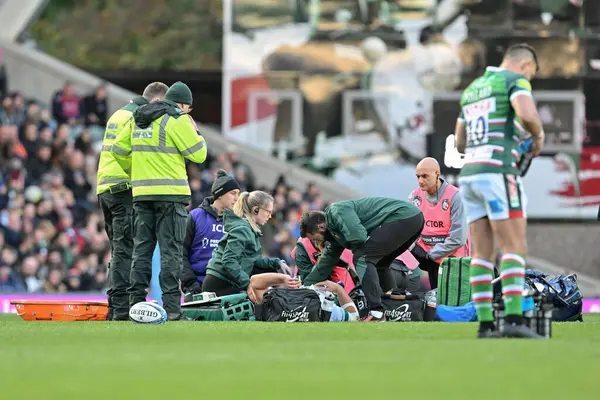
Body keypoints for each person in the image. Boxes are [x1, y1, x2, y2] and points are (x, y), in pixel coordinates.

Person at [454, 43, 545, 339]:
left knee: (482, 253)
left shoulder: (472, 89)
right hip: (498, 171)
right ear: (526, 66)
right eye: (530, 75)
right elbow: (527, 114)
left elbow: (459, 143)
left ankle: (486, 324)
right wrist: (537, 135)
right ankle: (515, 320)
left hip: (469, 174)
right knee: (514, 246)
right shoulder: (513, 80)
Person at [111, 81, 208, 321]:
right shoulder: (177, 118)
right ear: (183, 104)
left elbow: (118, 151)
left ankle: (135, 306)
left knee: (141, 251)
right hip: (170, 196)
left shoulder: (138, 117)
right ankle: (173, 310)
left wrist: (135, 172)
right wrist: (194, 129)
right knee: (171, 253)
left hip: (142, 196)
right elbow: (199, 154)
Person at [96, 82, 169, 321]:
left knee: (119, 250)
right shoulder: (136, 117)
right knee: (125, 251)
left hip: (105, 186)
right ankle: (120, 310)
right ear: (156, 102)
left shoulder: (119, 113)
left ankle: (114, 306)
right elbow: (126, 152)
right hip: (123, 188)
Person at [302, 197, 424, 321]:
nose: (315, 242)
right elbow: (324, 265)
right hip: (413, 218)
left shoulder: (336, 211)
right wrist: (304, 288)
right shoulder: (334, 234)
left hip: (403, 216)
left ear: (320, 228)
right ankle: (393, 309)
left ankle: (376, 312)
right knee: (380, 264)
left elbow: (359, 236)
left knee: (362, 258)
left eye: (314, 238)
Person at [204, 191, 293, 297]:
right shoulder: (243, 230)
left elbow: (254, 260)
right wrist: (247, 284)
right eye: (268, 212)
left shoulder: (249, 229)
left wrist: (278, 263)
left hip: (227, 281)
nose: (269, 216)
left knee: (271, 270)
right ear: (255, 210)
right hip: (219, 284)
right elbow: (228, 261)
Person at [406, 157, 470, 290]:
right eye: (418, 176)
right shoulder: (414, 196)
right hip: (430, 261)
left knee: (452, 302)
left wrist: (431, 254)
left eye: (425, 176)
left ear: (437, 174)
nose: (420, 181)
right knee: (436, 301)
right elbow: (407, 229)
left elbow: (458, 238)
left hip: (453, 263)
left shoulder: (455, 197)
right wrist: (415, 250)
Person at [181, 169, 241, 295]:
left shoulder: (238, 222)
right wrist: (191, 284)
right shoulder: (195, 217)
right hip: (197, 286)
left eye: (238, 194)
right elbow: (180, 253)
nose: (237, 198)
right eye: (233, 193)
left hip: (227, 287)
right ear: (219, 194)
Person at [246, 273, 360, 322]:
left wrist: (283, 279)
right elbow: (355, 318)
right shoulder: (329, 309)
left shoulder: (270, 302)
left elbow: (255, 282)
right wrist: (338, 289)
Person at [292, 211, 357, 293]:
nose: (316, 241)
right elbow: (307, 281)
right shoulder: (302, 249)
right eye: (313, 239)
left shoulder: (336, 237)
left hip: (346, 287)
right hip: (318, 292)